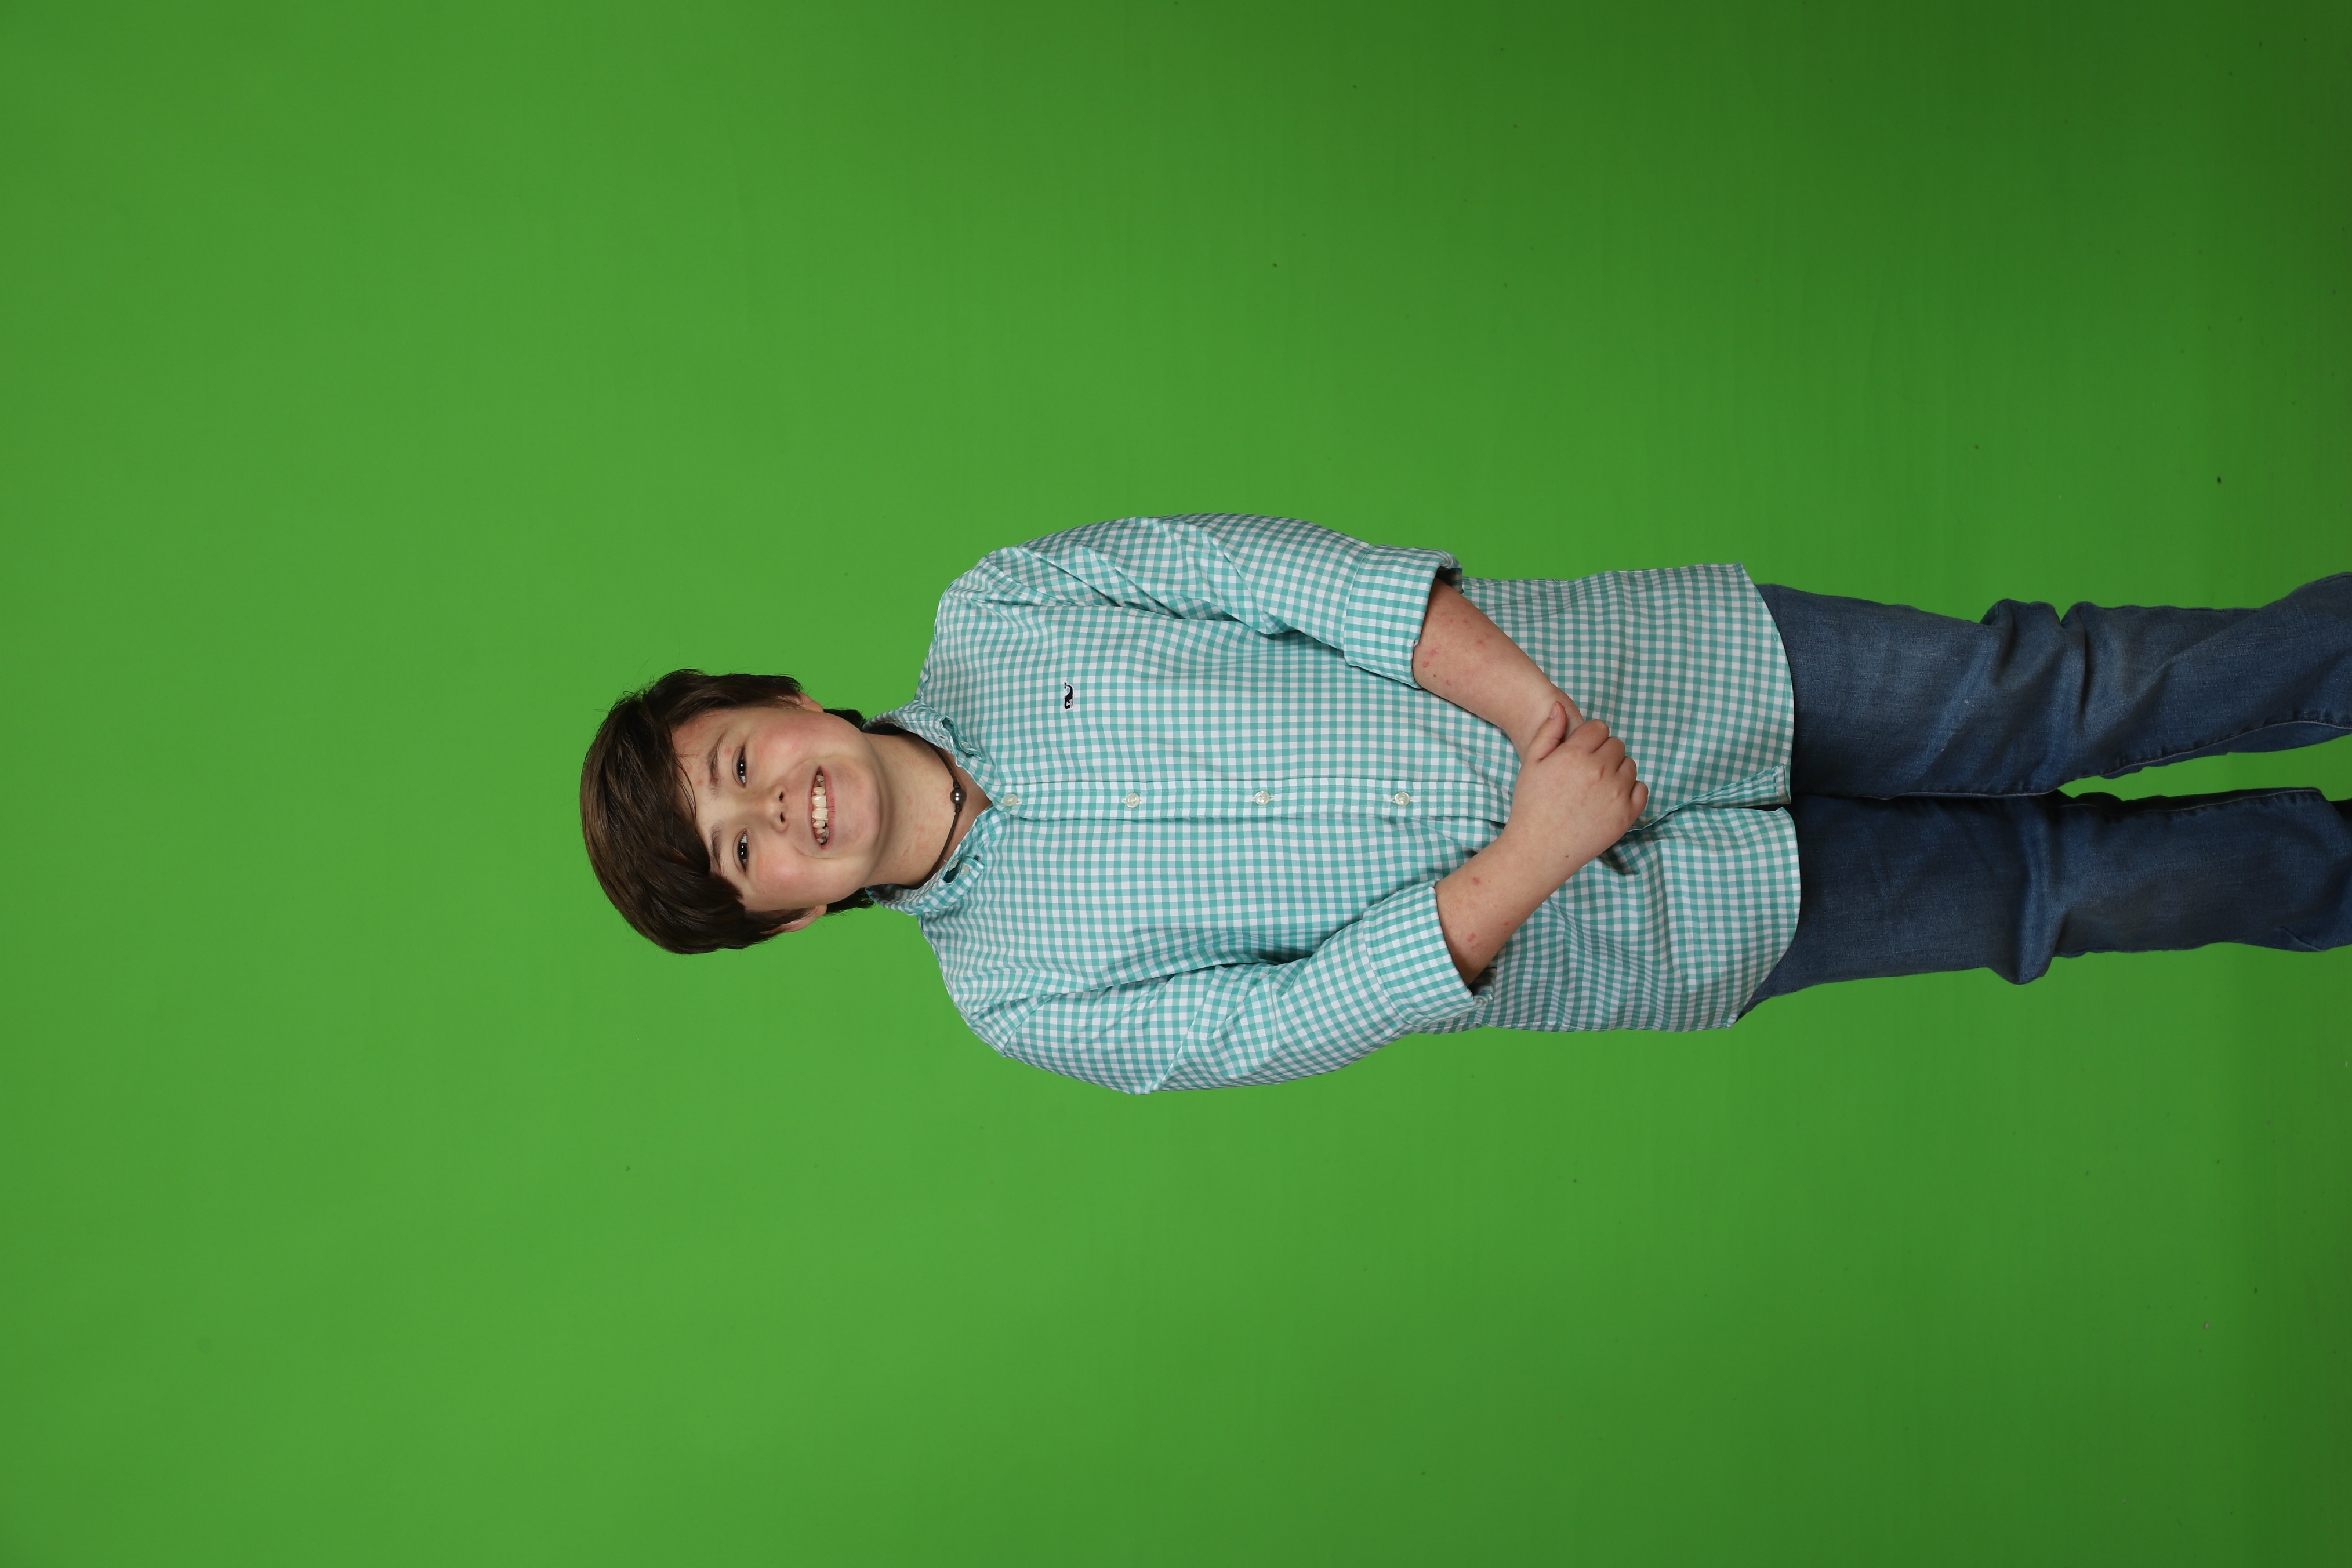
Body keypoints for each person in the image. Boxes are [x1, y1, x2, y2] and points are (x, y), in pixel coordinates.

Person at [580, 513, 2351, 1093]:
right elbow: (1285, 1022)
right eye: (742, 859)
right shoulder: (1013, 997)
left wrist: (1537, 721)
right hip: (1652, 925)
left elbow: (1287, 577)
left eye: (740, 768)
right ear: (783, 917)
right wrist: (1535, 852)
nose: (780, 814)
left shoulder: (1006, 605)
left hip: (1667, 673)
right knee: (2055, 895)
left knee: (2057, 689)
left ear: (775, 701)